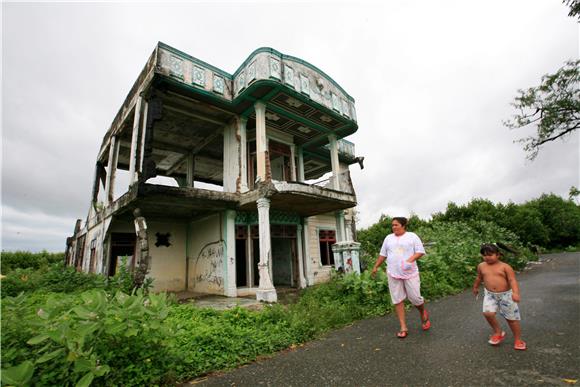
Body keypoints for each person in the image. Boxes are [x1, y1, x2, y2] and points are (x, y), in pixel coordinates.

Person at [371, 217, 430, 338]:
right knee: (397, 299)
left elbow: (420, 251)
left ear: (403, 226)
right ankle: (403, 327)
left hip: (410, 272)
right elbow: (383, 254)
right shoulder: (388, 238)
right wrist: (376, 266)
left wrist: (409, 260)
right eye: (392, 225)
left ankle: (422, 311)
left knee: (415, 298)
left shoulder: (412, 236)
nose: (393, 227)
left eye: (396, 225)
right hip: (393, 272)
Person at [472, 243, 526, 350]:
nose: (487, 257)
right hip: (490, 295)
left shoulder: (505, 267)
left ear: (498, 255)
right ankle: (498, 332)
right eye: (484, 255)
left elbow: (512, 280)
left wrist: (515, 293)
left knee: (511, 319)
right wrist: (475, 287)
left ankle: (518, 339)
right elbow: (479, 277)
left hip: (506, 296)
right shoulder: (481, 266)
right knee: (488, 313)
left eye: (490, 255)